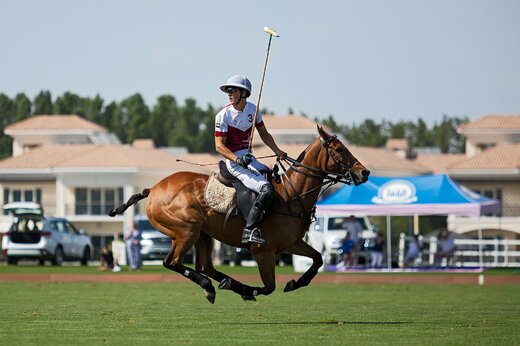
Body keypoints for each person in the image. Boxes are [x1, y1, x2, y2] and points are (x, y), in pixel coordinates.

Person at [214, 75, 286, 244]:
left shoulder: (253, 110)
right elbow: (219, 146)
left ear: (244, 93)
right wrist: (237, 160)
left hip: (249, 157)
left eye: (233, 90)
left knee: (273, 178)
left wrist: (278, 151)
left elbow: (265, 134)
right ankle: (249, 230)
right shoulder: (223, 115)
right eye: (228, 91)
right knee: (266, 189)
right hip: (234, 163)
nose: (229, 94)